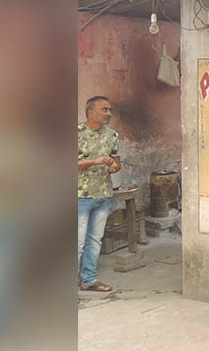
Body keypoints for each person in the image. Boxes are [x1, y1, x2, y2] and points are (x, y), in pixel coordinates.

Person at [77, 96, 121, 292]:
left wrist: (114, 167)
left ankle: (89, 279)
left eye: (109, 110)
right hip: (79, 196)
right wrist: (93, 161)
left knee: (95, 241)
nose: (109, 114)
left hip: (103, 194)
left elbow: (116, 161)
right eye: (104, 110)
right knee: (77, 243)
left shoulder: (112, 135)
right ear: (90, 112)